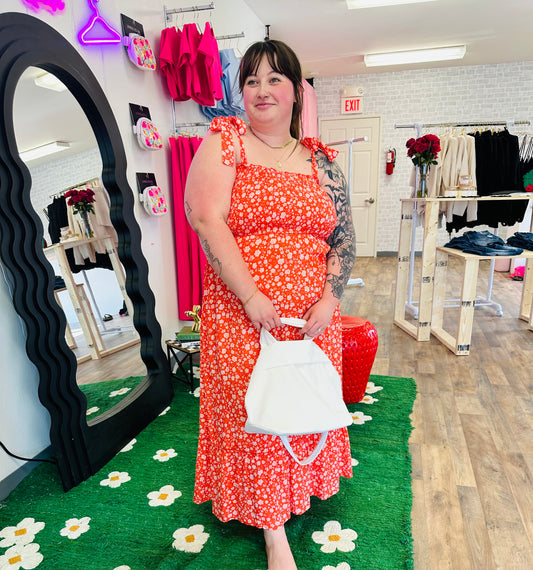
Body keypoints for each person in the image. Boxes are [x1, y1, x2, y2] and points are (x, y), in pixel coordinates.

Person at [184, 39, 356, 570]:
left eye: (275, 79)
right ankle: (272, 528)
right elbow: (205, 218)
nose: (262, 90)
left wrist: (330, 299)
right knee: (253, 410)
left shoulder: (321, 160)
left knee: (301, 401)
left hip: (311, 317)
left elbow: (343, 236)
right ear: (242, 93)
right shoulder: (225, 141)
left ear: (296, 91)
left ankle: (297, 486)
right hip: (243, 311)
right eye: (251, 80)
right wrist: (253, 295)